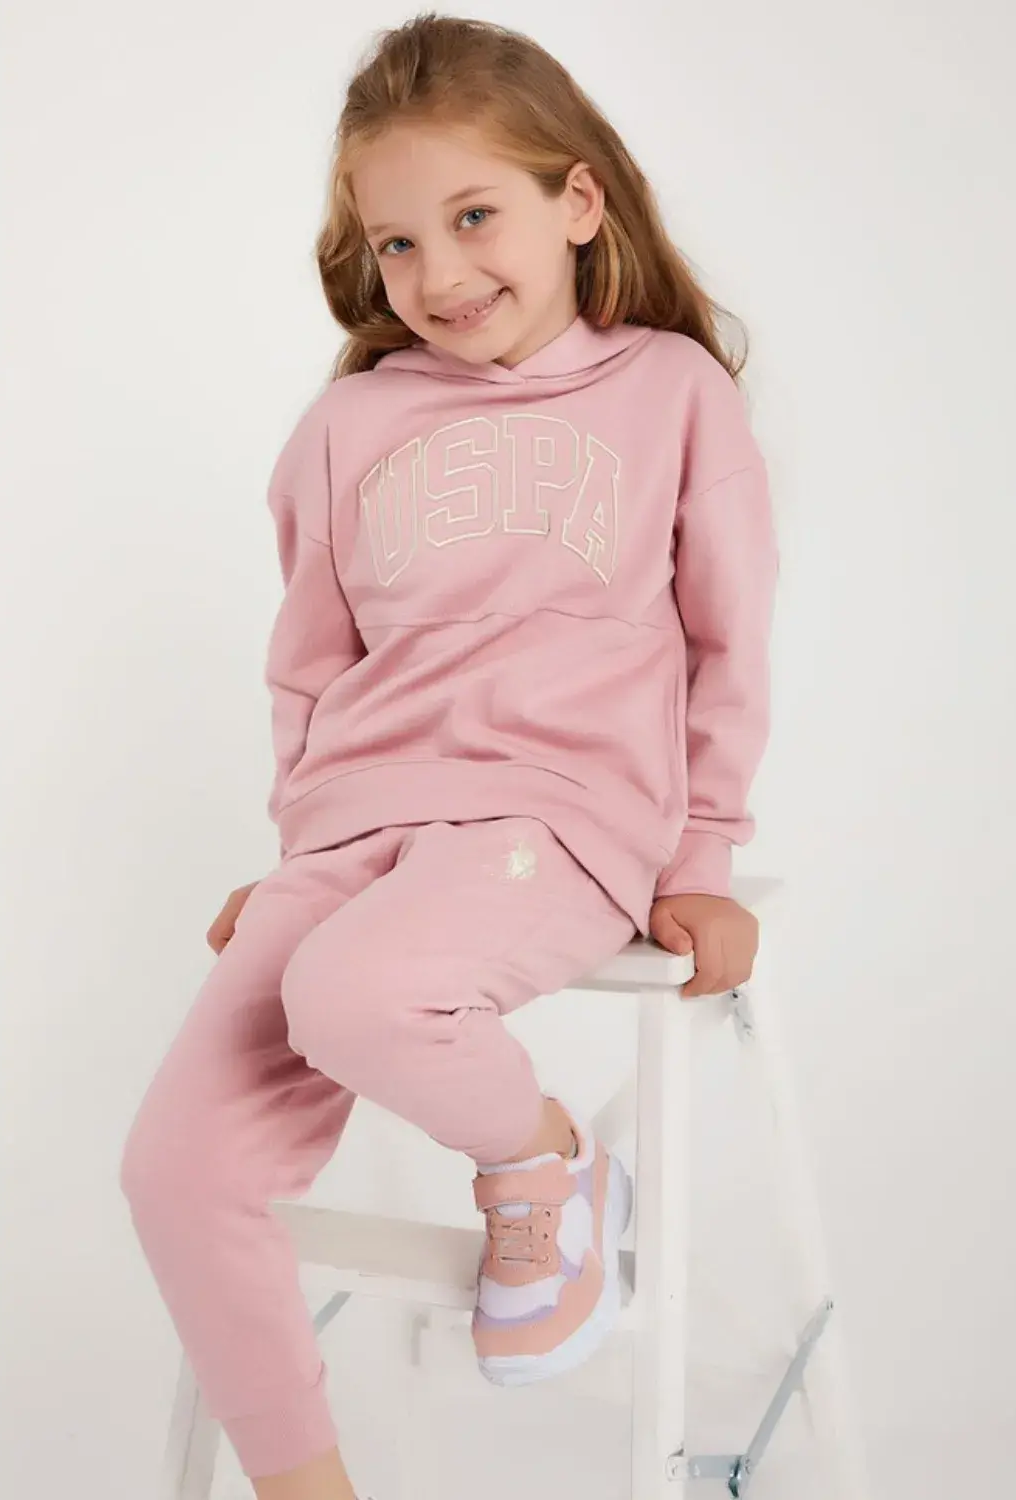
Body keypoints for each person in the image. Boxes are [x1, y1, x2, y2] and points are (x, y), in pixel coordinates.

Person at [119, 13, 779, 1500]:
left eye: (474, 217)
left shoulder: (672, 394)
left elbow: (728, 641)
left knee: (357, 993)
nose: (438, 275)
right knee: (177, 1165)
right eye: (398, 244)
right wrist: (302, 861)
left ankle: (545, 1163)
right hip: (362, 833)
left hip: (561, 816)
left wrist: (704, 861)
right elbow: (311, 662)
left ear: (576, 201)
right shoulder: (348, 424)